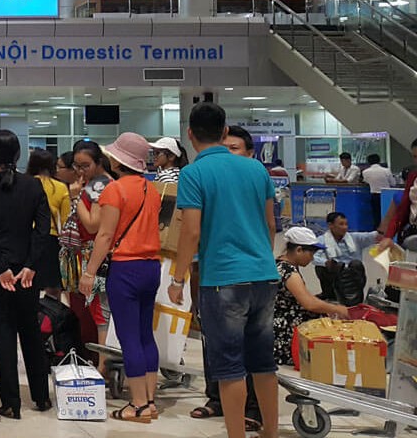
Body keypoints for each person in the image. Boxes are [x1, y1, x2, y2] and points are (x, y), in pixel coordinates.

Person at [170, 103, 279, 438]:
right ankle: (271, 432)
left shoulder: (193, 174)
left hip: (223, 280)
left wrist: (178, 278)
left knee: (229, 366)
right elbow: (271, 224)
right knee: (262, 362)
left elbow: (190, 231)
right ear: (224, 132)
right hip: (263, 274)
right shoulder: (256, 170)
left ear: (189, 135)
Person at [81, 133, 162, 422]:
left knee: (128, 338)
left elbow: (104, 235)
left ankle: (137, 405)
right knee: (144, 336)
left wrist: (89, 272)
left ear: (118, 160)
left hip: (125, 268)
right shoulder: (151, 189)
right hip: (152, 267)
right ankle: (150, 401)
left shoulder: (114, 191)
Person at [0, 131, 52, 418]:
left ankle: (10, 402)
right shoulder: (33, 186)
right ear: (18, 156)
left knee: (2, 333)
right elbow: (43, 230)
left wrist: (1, 268)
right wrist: (29, 265)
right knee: (30, 331)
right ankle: (42, 397)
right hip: (28, 272)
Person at [63, 141, 112, 361]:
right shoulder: (94, 183)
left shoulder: (98, 186)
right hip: (86, 254)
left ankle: (100, 365)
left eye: (86, 165)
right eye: (76, 166)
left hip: (93, 256)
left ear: (99, 162)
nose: (80, 171)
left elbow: (93, 224)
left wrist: (76, 196)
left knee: (98, 315)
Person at [275, 226, 350, 365]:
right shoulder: (288, 271)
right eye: (311, 253)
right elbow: (309, 303)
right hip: (285, 334)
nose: (312, 258)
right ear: (299, 250)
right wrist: (337, 309)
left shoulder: (282, 264)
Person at [27, 149, 67, 298]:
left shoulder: (24, 184)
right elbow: (65, 220)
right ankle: (51, 317)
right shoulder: (60, 187)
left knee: (29, 283)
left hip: (28, 237)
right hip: (51, 239)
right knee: (52, 285)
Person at [314, 212, 374, 306]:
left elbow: (372, 236)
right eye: (341, 224)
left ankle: (355, 298)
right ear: (330, 225)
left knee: (356, 264)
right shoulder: (322, 240)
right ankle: (329, 294)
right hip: (336, 271)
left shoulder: (355, 238)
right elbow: (313, 257)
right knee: (320, 266)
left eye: (346, 224)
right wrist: (326, 263)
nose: (345, 227)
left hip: (353, 273)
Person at [380, 138, 417, 252]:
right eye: (415, 157)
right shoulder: (413, 177)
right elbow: (402, 211)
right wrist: (388, 236)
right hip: (412, 233)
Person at [361, 154, 393, 224]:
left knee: (376, 214)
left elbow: (365, 182)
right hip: (386, 195)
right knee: (386, 213)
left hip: (374, 195)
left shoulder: (365, 172)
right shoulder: (386, 170)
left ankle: (377, 229)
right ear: (379, 160)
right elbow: (393, 183)